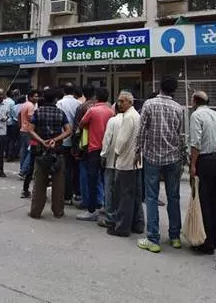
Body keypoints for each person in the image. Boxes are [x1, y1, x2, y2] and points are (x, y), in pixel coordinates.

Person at [135, 77, 185, 253]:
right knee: (174, 197)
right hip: (173, 158)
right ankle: (175, 237)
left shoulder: (149, 104)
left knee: (151, 197)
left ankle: (153, 239)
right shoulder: (178, 108)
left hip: (152, 157)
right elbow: (179, 134)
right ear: (174, 90)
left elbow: (141, 130)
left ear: (160, 87)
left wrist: (137, 151)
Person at [188, 91, 216, 254]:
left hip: (203, 160)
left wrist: (193, 165)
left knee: (202, 199)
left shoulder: (196, 116)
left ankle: (207, 241)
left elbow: (195, 143)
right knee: (214, 198)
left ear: (194, 101)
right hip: (214, 158)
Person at [25, 87, 71, 218]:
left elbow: (30, 129)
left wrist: (41, 141)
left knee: (39, 183)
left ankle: (36, 211)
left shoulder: (38, 112)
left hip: (41, 151)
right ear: (55, 99)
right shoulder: (60, 113)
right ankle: (58, 211)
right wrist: (55, 140)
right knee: (58, 184)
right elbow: (68, 130)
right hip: (57, 151)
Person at [106, 91, 143, 237]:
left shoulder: (128, 117)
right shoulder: (136, 115)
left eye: (122, 101)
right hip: (134, 162)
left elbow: (121, 141)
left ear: (130, 102)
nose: (119, 104)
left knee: (123, 196)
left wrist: (115, 155)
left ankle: (122, 227)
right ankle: (136, 224)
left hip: (125, 162)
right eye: (119, 101)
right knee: (133, 195)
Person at [77, 87, 115, 222]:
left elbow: (82, 124)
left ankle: (91, 210)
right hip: (107, 149)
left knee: (92, 180)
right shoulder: (111, 111)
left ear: (96, 97)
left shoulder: (92, 110)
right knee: (107, 180)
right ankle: (106, 206)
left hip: (93, 149)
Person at [57, 84, 81, 204]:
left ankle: (67, 196)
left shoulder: (60, 103)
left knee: (66, 169)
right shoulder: (79, 104)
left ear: (63, 91)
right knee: (76, 168)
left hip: (63, 139)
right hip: (76, 141)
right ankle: (77, 193)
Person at [19, 90, 39, 181]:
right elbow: (32, 119)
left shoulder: (24, 104)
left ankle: (22, 169)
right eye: (35, 96)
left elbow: (19, 115)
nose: (37, 98)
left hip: (23, 130)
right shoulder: (31, 106)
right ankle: (23, 171)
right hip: (28, 131)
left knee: (24, 151)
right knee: (31, 151)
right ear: (30, 97)